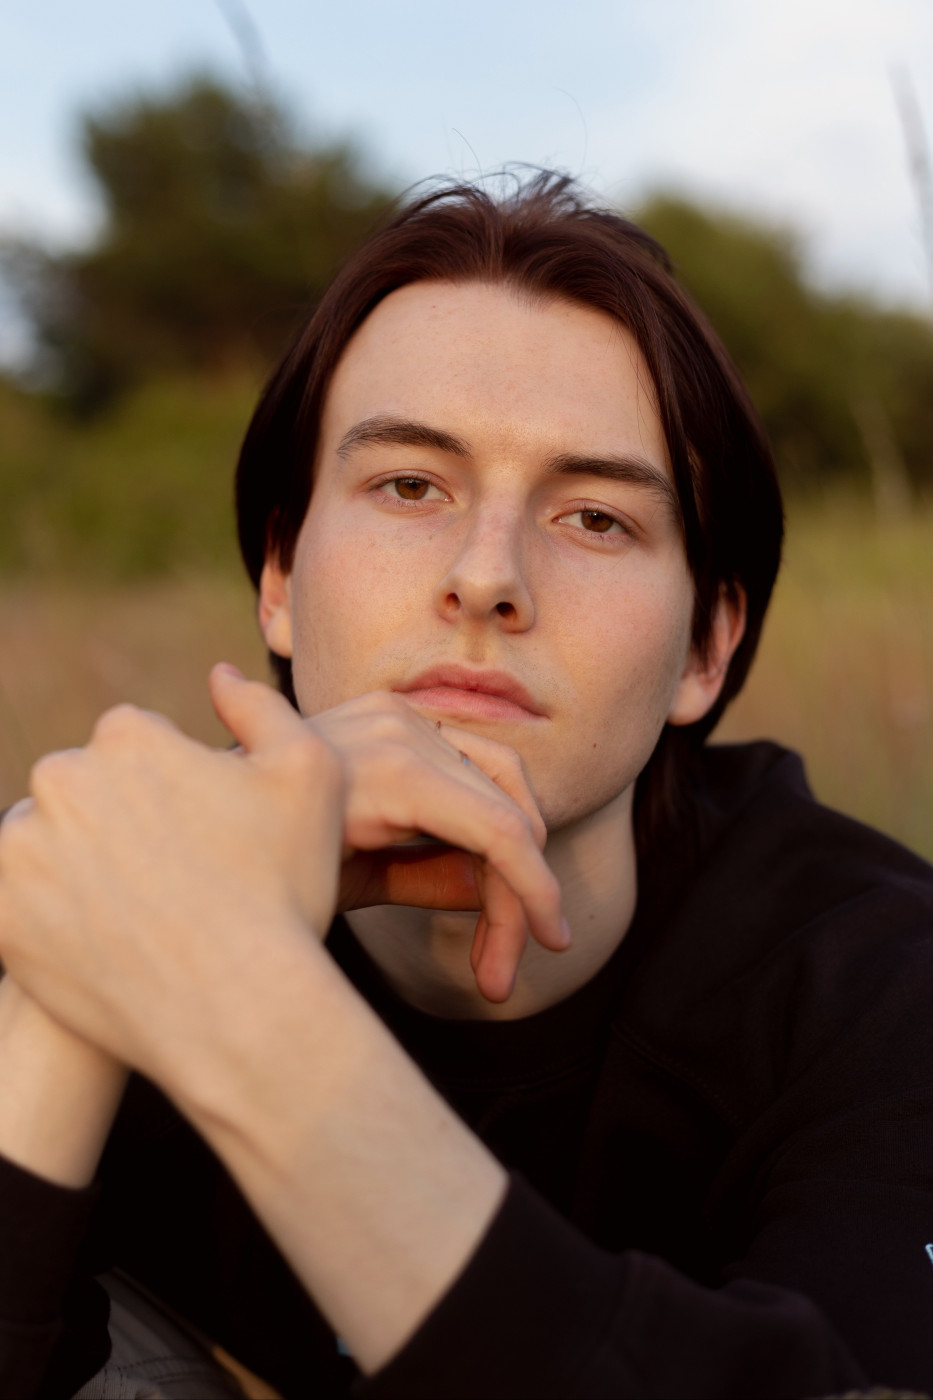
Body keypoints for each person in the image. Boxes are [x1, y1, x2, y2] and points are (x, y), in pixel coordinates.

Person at [0, 172, 931, 1400]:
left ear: (705, 648)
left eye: (594, 518)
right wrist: (62, 982)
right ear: (279, 575)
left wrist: (227, 989)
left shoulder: (882, 979)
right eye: (409, 485)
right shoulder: (122, 870)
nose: (487, 577)